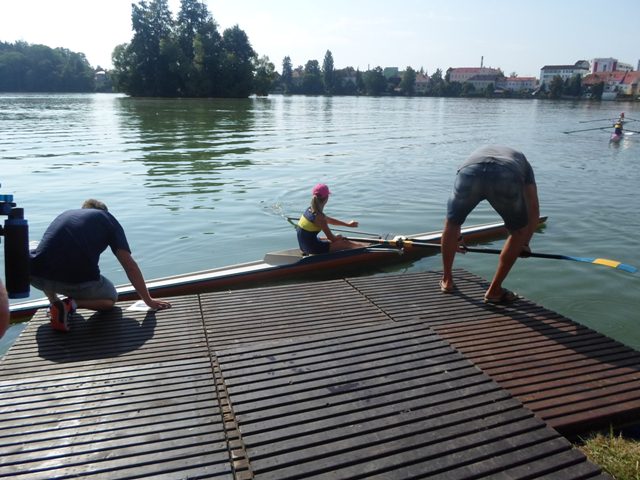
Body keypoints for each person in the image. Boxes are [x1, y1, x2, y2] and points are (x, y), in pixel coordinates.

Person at [30, 199, 171, 332]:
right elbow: (129, 266)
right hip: (75, 282)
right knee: (111, 298)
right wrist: (148, 300)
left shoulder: (66, 214)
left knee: (36, 246)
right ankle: (71, 304)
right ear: (105, 212)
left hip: (34, 275)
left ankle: (54, 302)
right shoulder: (107, 219)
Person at [440, 146, 540, 304]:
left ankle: (447, 281)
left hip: (470, 171)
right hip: (505, 174)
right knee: (518, 232)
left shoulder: (475, 154)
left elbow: (454, 217)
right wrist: (524, 243)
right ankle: (494, 291)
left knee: (451, 223)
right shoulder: (523, 163)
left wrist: (456, 236)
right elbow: (533, 207)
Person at [296, 183, 367, 255]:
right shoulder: (319, 217)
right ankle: (365, 250)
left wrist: (348, 224)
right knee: (345, 243)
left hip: (304, 246)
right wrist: (338, 238)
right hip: (312, 248)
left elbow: (329, 220)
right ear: (327, 198)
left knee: (337, 238)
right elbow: (331, 238)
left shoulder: (310, 210)